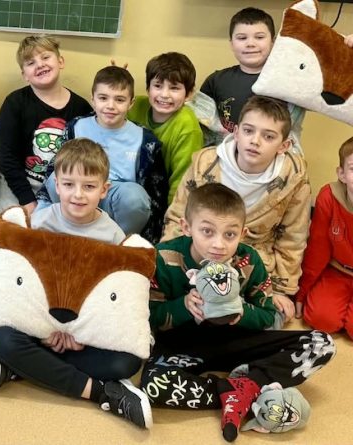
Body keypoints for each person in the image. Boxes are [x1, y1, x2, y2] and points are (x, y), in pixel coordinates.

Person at [143, 183, 335, 442]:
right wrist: (183, 306)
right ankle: (233, 391)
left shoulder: (249, 260)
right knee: (153, 386)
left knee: (322, 343)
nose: (219, 244)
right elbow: (149, 316)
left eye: (230, 234)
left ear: (243, 233)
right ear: (186, 227)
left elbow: (267, 315)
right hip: (185, 345)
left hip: (237, 341)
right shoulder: (164, 257)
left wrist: (242, 312)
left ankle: (247, 383)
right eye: (207, 232)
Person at [0, 139, 152, 429]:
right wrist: (43, 331)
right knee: (2, 339)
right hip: (39, 328)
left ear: (104, 190)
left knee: (127, 362)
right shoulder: (39, 224)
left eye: (89, 186)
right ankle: (98, 391)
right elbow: (20, 287)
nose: (78, 194)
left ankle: (25, 367)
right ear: (56, 186)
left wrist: (83, 335)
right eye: (69, 184)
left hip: (84, 337)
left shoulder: (114, 237)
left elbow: (113, 298)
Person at [161, 95, 309, 319]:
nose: (255, 141)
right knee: (176, 308)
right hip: (200, 253)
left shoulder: (294, 177)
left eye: (268, 136)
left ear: (284, 145)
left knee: (272, 317)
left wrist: (280, 289)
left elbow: (293, 236)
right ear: (236, 132)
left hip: (255, 266)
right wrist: (168, 265)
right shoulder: (204, 164)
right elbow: (177, 216)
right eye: (248, 131)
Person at [37, 66, 167, 242]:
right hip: (78, 187)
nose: (110, 106)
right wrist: (41, 209)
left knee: (135, 197)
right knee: (55, 178)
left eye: (119, 99)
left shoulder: (145, 140)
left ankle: (116, 243)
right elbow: (55, 167)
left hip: (117, 196)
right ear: (93, 100)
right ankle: (67, 232)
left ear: (131, 103)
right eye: (103, 98)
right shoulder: (76, 127)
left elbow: (156, 191)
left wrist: (155, 236)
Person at [0, 35, 93, 214]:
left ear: (60, 61)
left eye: (46, 57)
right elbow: (6, 157)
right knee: (12, 225)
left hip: (63, 186)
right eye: (30, 63)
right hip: (18, 184)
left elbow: (89, 156)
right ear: (24, 75)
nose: (40, 65)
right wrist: (27, 201)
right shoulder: (14, 103)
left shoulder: (81, 108)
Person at [193, 7, 305, 150]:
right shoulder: (216, 80)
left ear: (273, 42)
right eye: (242, 38)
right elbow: (203, 125)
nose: (250, 44)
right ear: (231, 43)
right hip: (226, 156)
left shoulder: (290, 81)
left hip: (276, 157)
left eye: (259, 37)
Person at [296, 136, 353, 338]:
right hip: (338, 270)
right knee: (320, 319)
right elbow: (317, 248)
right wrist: (302, 292)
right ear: (342, 174)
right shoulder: (329, 197)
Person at [127, 52, 203, 204]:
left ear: (189, 94)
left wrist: (171, 214)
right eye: (157, 86)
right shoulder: (134, 106)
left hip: (161, 198)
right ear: (148, 88)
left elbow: (182, 181)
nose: (164, 94)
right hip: (127, 188)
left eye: (174, 88)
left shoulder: (188, 128)